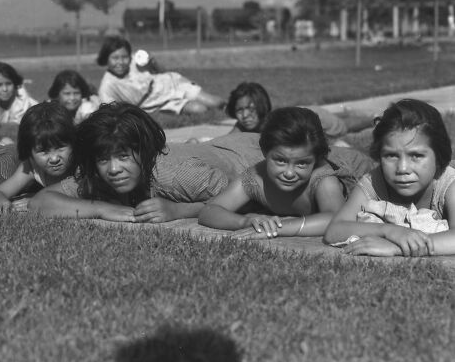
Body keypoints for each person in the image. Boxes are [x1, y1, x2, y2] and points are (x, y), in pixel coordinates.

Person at [29, 102, 229, 222]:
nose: (114, 169)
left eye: (124, 156)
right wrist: (101, 209)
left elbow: (247, 198)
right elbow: (40, 202)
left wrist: (180, 210)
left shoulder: (175, 175)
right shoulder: (96, 177)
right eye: (103, 159)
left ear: (144, 152)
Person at [324, 99, 455, 257]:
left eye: (416, 156)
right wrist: (389, 231)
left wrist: (397, 247)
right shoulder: (375, 181)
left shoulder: (448, 184)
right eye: (391, 155)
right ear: (379, 155)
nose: (403, 168)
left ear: (439, 157)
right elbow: (334, 230)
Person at [199, 107, 350, 239]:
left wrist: (279, 228)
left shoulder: (323, 180)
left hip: (353, 161)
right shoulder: (255, 178)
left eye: (302, 163)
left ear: (316, 159)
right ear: (265, 152)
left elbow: (337, 219)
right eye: (280, 161)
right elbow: (209, 211)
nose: (289, 173)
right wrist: (245, 221)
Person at [96, 35, 225, 115]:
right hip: (159, 104)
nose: (120, 62)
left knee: (215, 102)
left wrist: (153, 62)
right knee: (200, 110)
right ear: (106, 59)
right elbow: (111, 113)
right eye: (115, 58)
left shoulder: (136, 60)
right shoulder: (108, 86)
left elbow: (163, 71)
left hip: (173, 83)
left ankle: (231, 109)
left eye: (124, 57)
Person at [0, 102, 76, 212]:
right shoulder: (31, 167)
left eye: (60, 148)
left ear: (73, 142)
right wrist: (2, 202)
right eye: (43, 151)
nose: (54, 159)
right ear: (29, 151)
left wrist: (38, 199)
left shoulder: (81, 164)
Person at [226, 81, 375, 145]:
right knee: (340, 120)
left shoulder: (272, 123)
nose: (245, 115)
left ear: (261, 106)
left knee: (344, 127)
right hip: (302, 115)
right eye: (240, 110)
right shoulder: (242, 125)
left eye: (251, 109)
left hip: (317, 118)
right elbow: (225, 141)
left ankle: (372, 118)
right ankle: (349, 112)